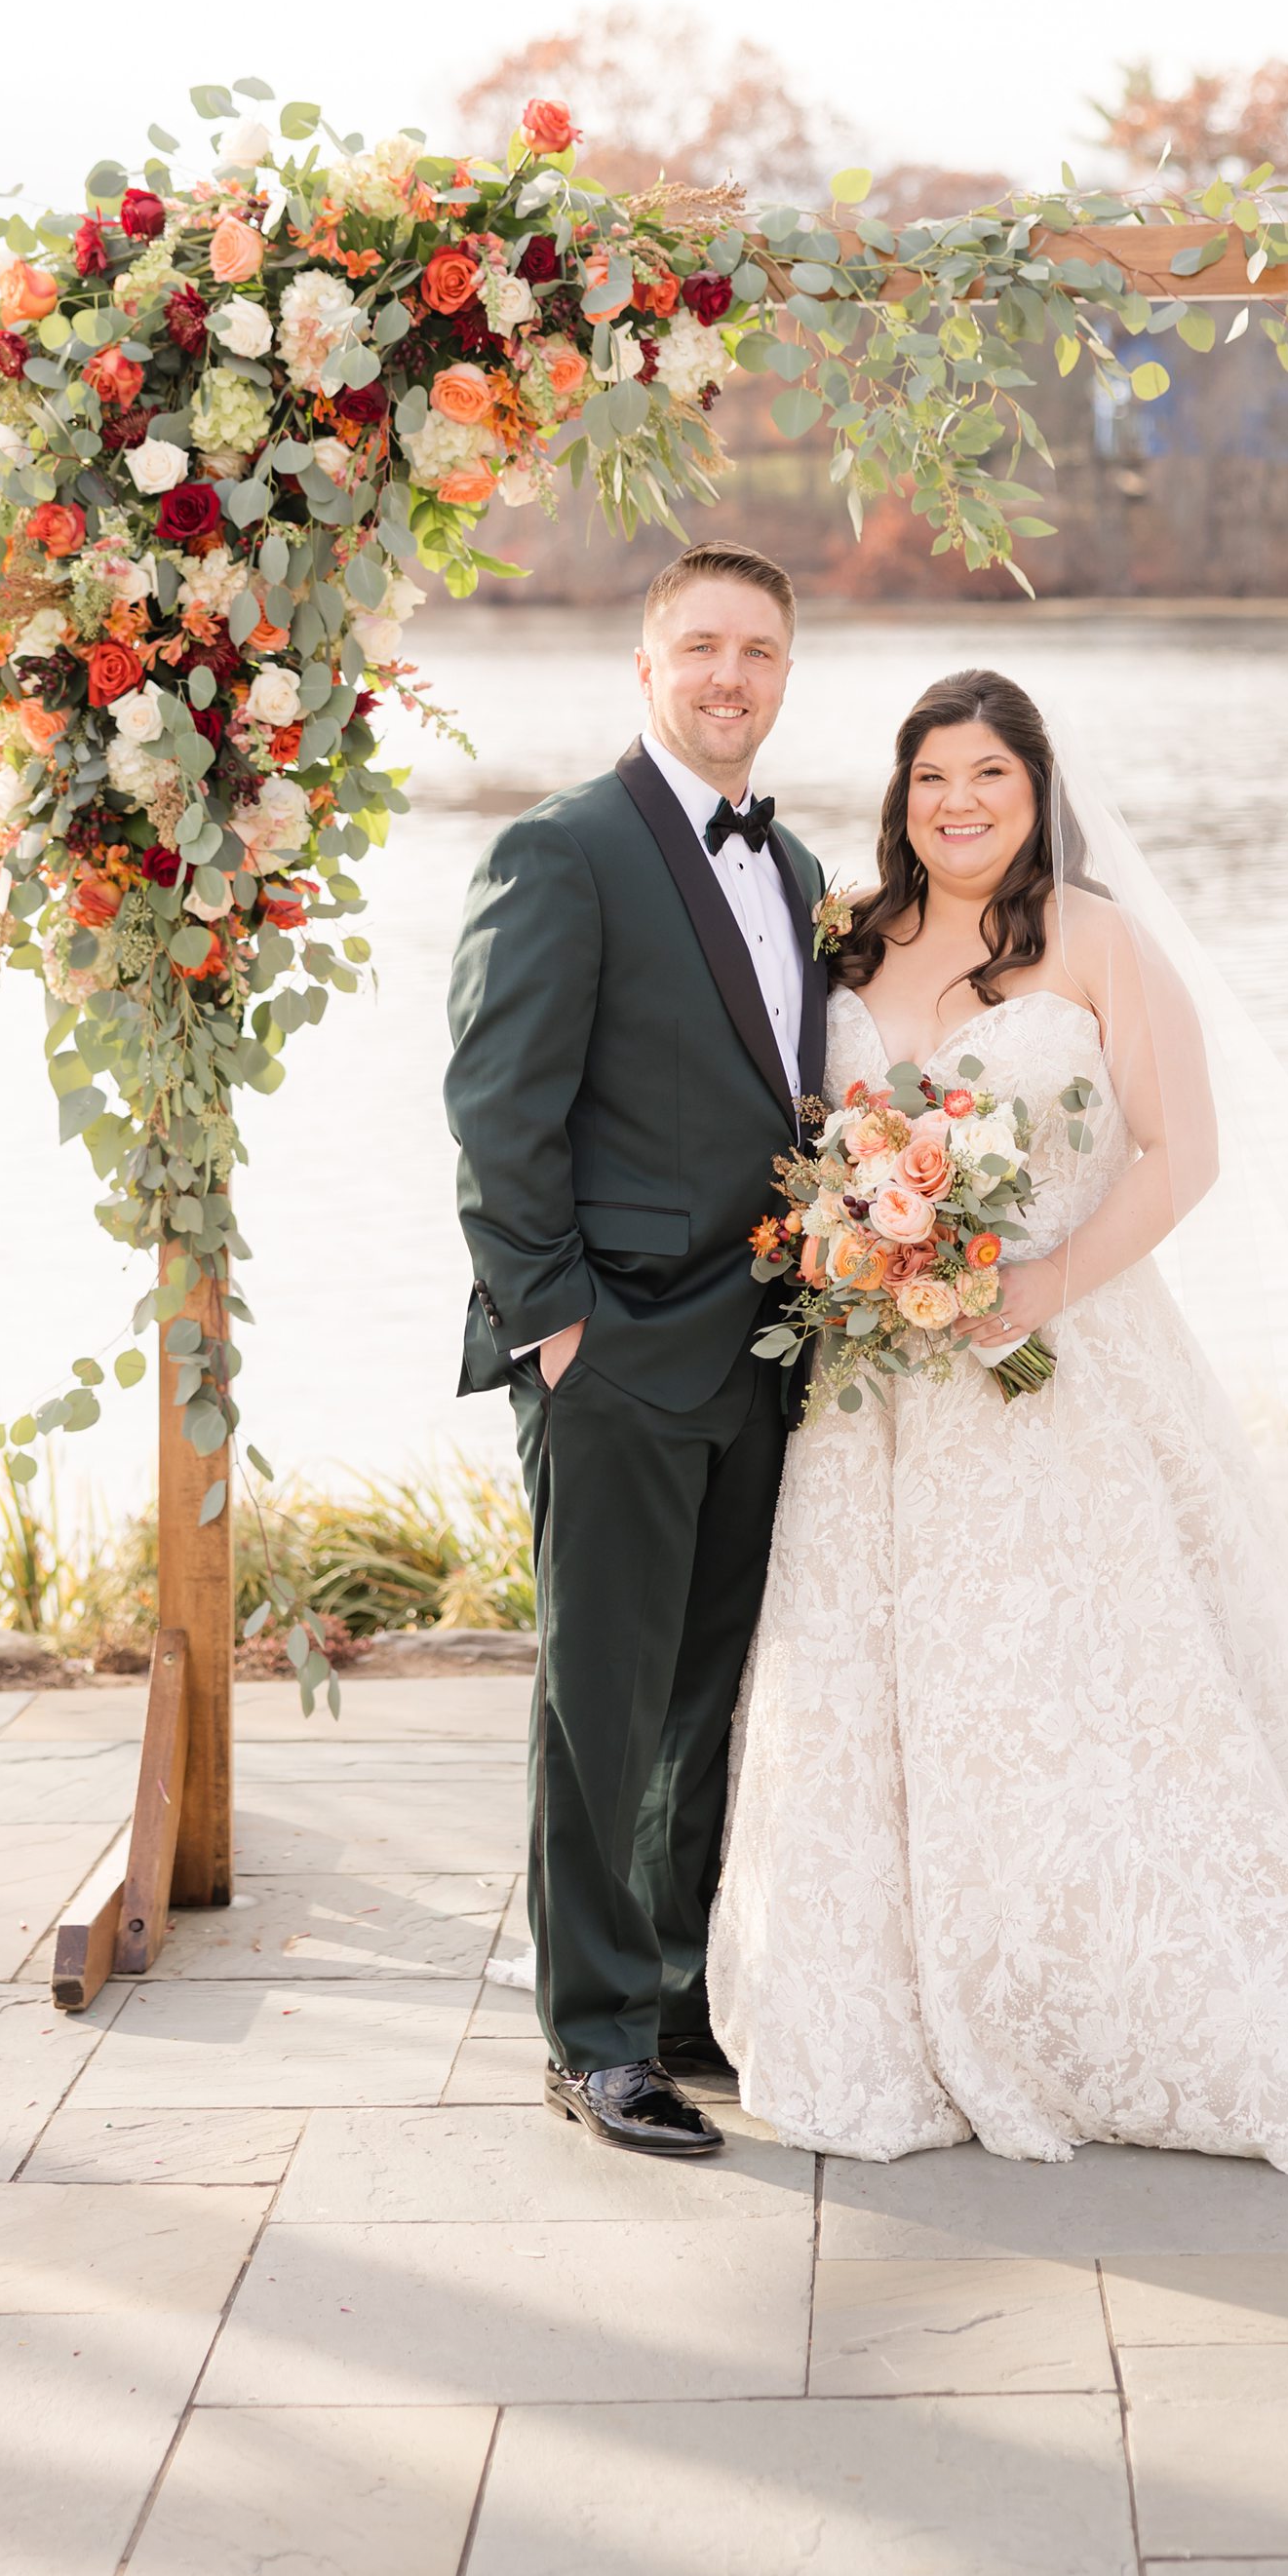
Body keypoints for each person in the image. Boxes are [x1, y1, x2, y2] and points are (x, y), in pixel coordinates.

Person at [708, 667, 1288, 2173]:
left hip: (1062, 1361)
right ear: (901, 797)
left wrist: (1040, 1285)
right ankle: (889, 1984)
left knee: (1085, 1676)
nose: (957, 806)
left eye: (990, 780)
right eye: (932, 779)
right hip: (874, 1388)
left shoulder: (1095, 938)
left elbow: (1179, 1154)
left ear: (1039, 796)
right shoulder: (854, 935)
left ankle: (1128, 1982)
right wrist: (862, 1240)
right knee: (881, 1679)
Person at [444, 544, 825, 2159]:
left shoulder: (800, 867)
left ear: (785, 675)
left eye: (756, 651)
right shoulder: (566, 849)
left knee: (704, 1694)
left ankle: (672, 1994)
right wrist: (554, 1328)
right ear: (649, 670)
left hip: (761, 1352)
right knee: (600, 1700)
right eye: (699, 649)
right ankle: (589, 2036)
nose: (727, 676)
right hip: (610, 1350)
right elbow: (495, 1106)